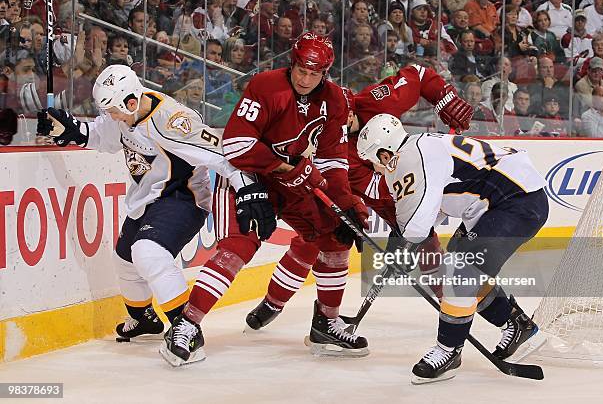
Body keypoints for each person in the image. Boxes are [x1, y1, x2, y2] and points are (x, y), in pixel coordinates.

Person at [35, 65, 276, 360]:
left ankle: (185, 328)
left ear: (132, 102)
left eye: (114, 111)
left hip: (184, 198)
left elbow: (222, 155)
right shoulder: (124, 108)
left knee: (147, 252)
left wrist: (247, 188)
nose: (112, 116)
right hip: (148, 198)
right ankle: (144, 319)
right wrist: (72, 129)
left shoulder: (174, 121)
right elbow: (102, 135)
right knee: (124, 260)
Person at [164, 32, 371, 362]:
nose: (305, 79)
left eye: (313, 74)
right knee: (238, 247)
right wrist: (287, 167)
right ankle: (186, 324)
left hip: (291, 180)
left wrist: (346, 203)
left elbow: (333, 160)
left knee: (335, 236)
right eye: (300, 70)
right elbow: (235, 145)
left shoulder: (335, 100)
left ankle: (326, 323)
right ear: (292, 64)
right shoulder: (266, 86)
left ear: (325, 74)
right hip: (247, 177)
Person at [244, 62, 473, 332]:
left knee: (427, 248)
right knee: (312, 240)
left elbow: (419, 74)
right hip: (340, 184)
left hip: (400, 184)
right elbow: (356, 188)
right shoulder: (325, 137)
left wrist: (444, 96)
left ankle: (455, 311)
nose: (338, 126)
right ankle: (274, 302)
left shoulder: (375, 102)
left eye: (343, 118)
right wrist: (355, 210)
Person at [356, 113, 548, 384]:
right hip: (492, 205)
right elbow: (431, 212)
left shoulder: (410, 159)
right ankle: (516, 323)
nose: (372, 166)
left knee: (462, 274)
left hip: (516, 200)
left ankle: (449, 350)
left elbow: (418, 224)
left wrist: (401, 248)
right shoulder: (416, 150)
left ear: (385, 153)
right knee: (461, 268)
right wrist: (401, 246)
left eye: (372, 159)